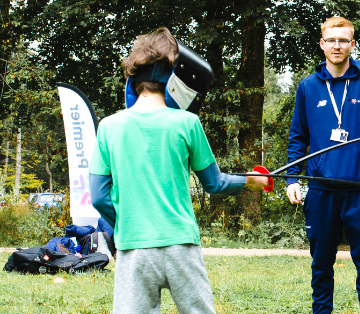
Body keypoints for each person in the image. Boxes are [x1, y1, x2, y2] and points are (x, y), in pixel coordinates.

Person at [89, 27, 270, 313]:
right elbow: (216, 183)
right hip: (181, 246)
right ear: (177, 79)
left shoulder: (109, 127)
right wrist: (251, 180)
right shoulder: (187, 123)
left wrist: (125, 224)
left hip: (134, 249)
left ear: (133, 79)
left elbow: (99, 197)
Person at [284, 16, 360, 314]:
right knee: (321, 264)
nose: (337, 45)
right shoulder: (308, 87)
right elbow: (298, 136)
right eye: (331, 40)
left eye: (343, 40)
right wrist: (292, 179)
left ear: (352, 45)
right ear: (322, 44)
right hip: (321, 190)